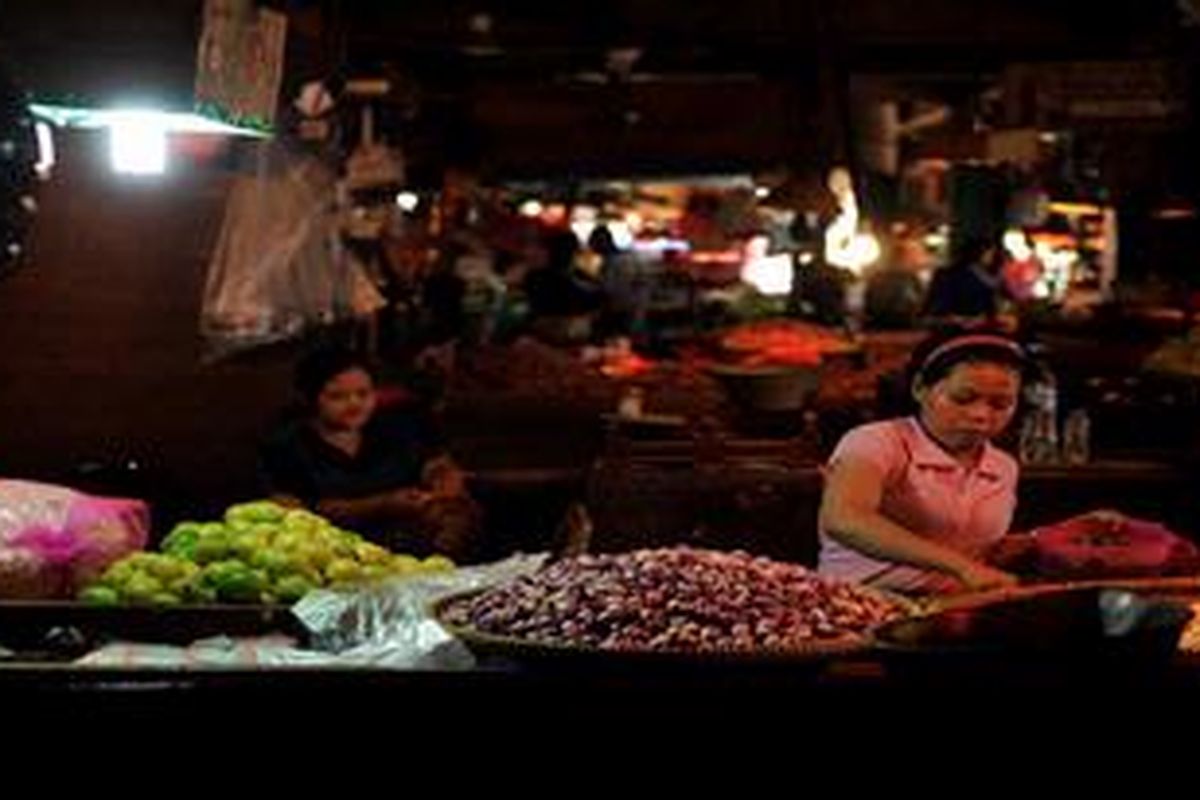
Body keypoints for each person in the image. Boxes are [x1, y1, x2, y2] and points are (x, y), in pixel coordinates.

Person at [818, 327, 1027, 593]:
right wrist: (961, 567)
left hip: (951, 607)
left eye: (1001, 404)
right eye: (963, 399)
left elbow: (974, 546)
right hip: (861, 603)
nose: (981, 414)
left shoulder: (1003, 466)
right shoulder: (876, 441)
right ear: (920, 389)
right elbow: (844, 519)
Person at [260, 347, 478, 560]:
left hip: (412, 549)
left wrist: (441, 480)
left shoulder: (397, 427)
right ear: (312, 398)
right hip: (338, 554)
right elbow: (293, 512)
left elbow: (436, 463)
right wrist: (381, 504)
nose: (354, 404)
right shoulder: (287, 446)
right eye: (337, 397)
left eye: (363, 394)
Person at [924, 237, 1006, 320]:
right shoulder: (956, 275)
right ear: (981, 253)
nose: (991, 257)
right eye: (990, 253)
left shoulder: (986, 276)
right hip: (958, 325)